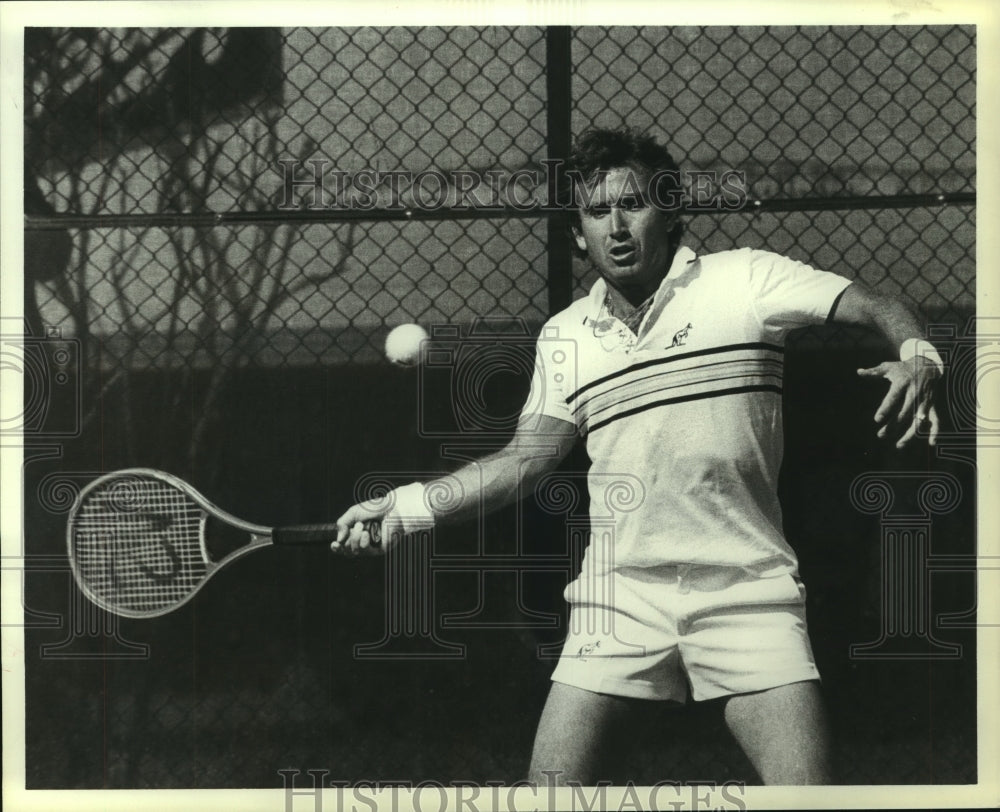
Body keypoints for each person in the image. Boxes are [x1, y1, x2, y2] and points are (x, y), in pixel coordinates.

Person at [334, 127, 943, 785]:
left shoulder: (745, 279)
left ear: (672, 212)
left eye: (634, 204)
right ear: (578, 233)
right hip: (619, 598)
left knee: (809, 800)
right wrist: (407, 505)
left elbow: (874, 301)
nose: (617, 227)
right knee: (550, 799)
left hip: (746, 590)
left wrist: (919, 356)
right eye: (597, 212)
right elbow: (523, 462)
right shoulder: (566, 335)